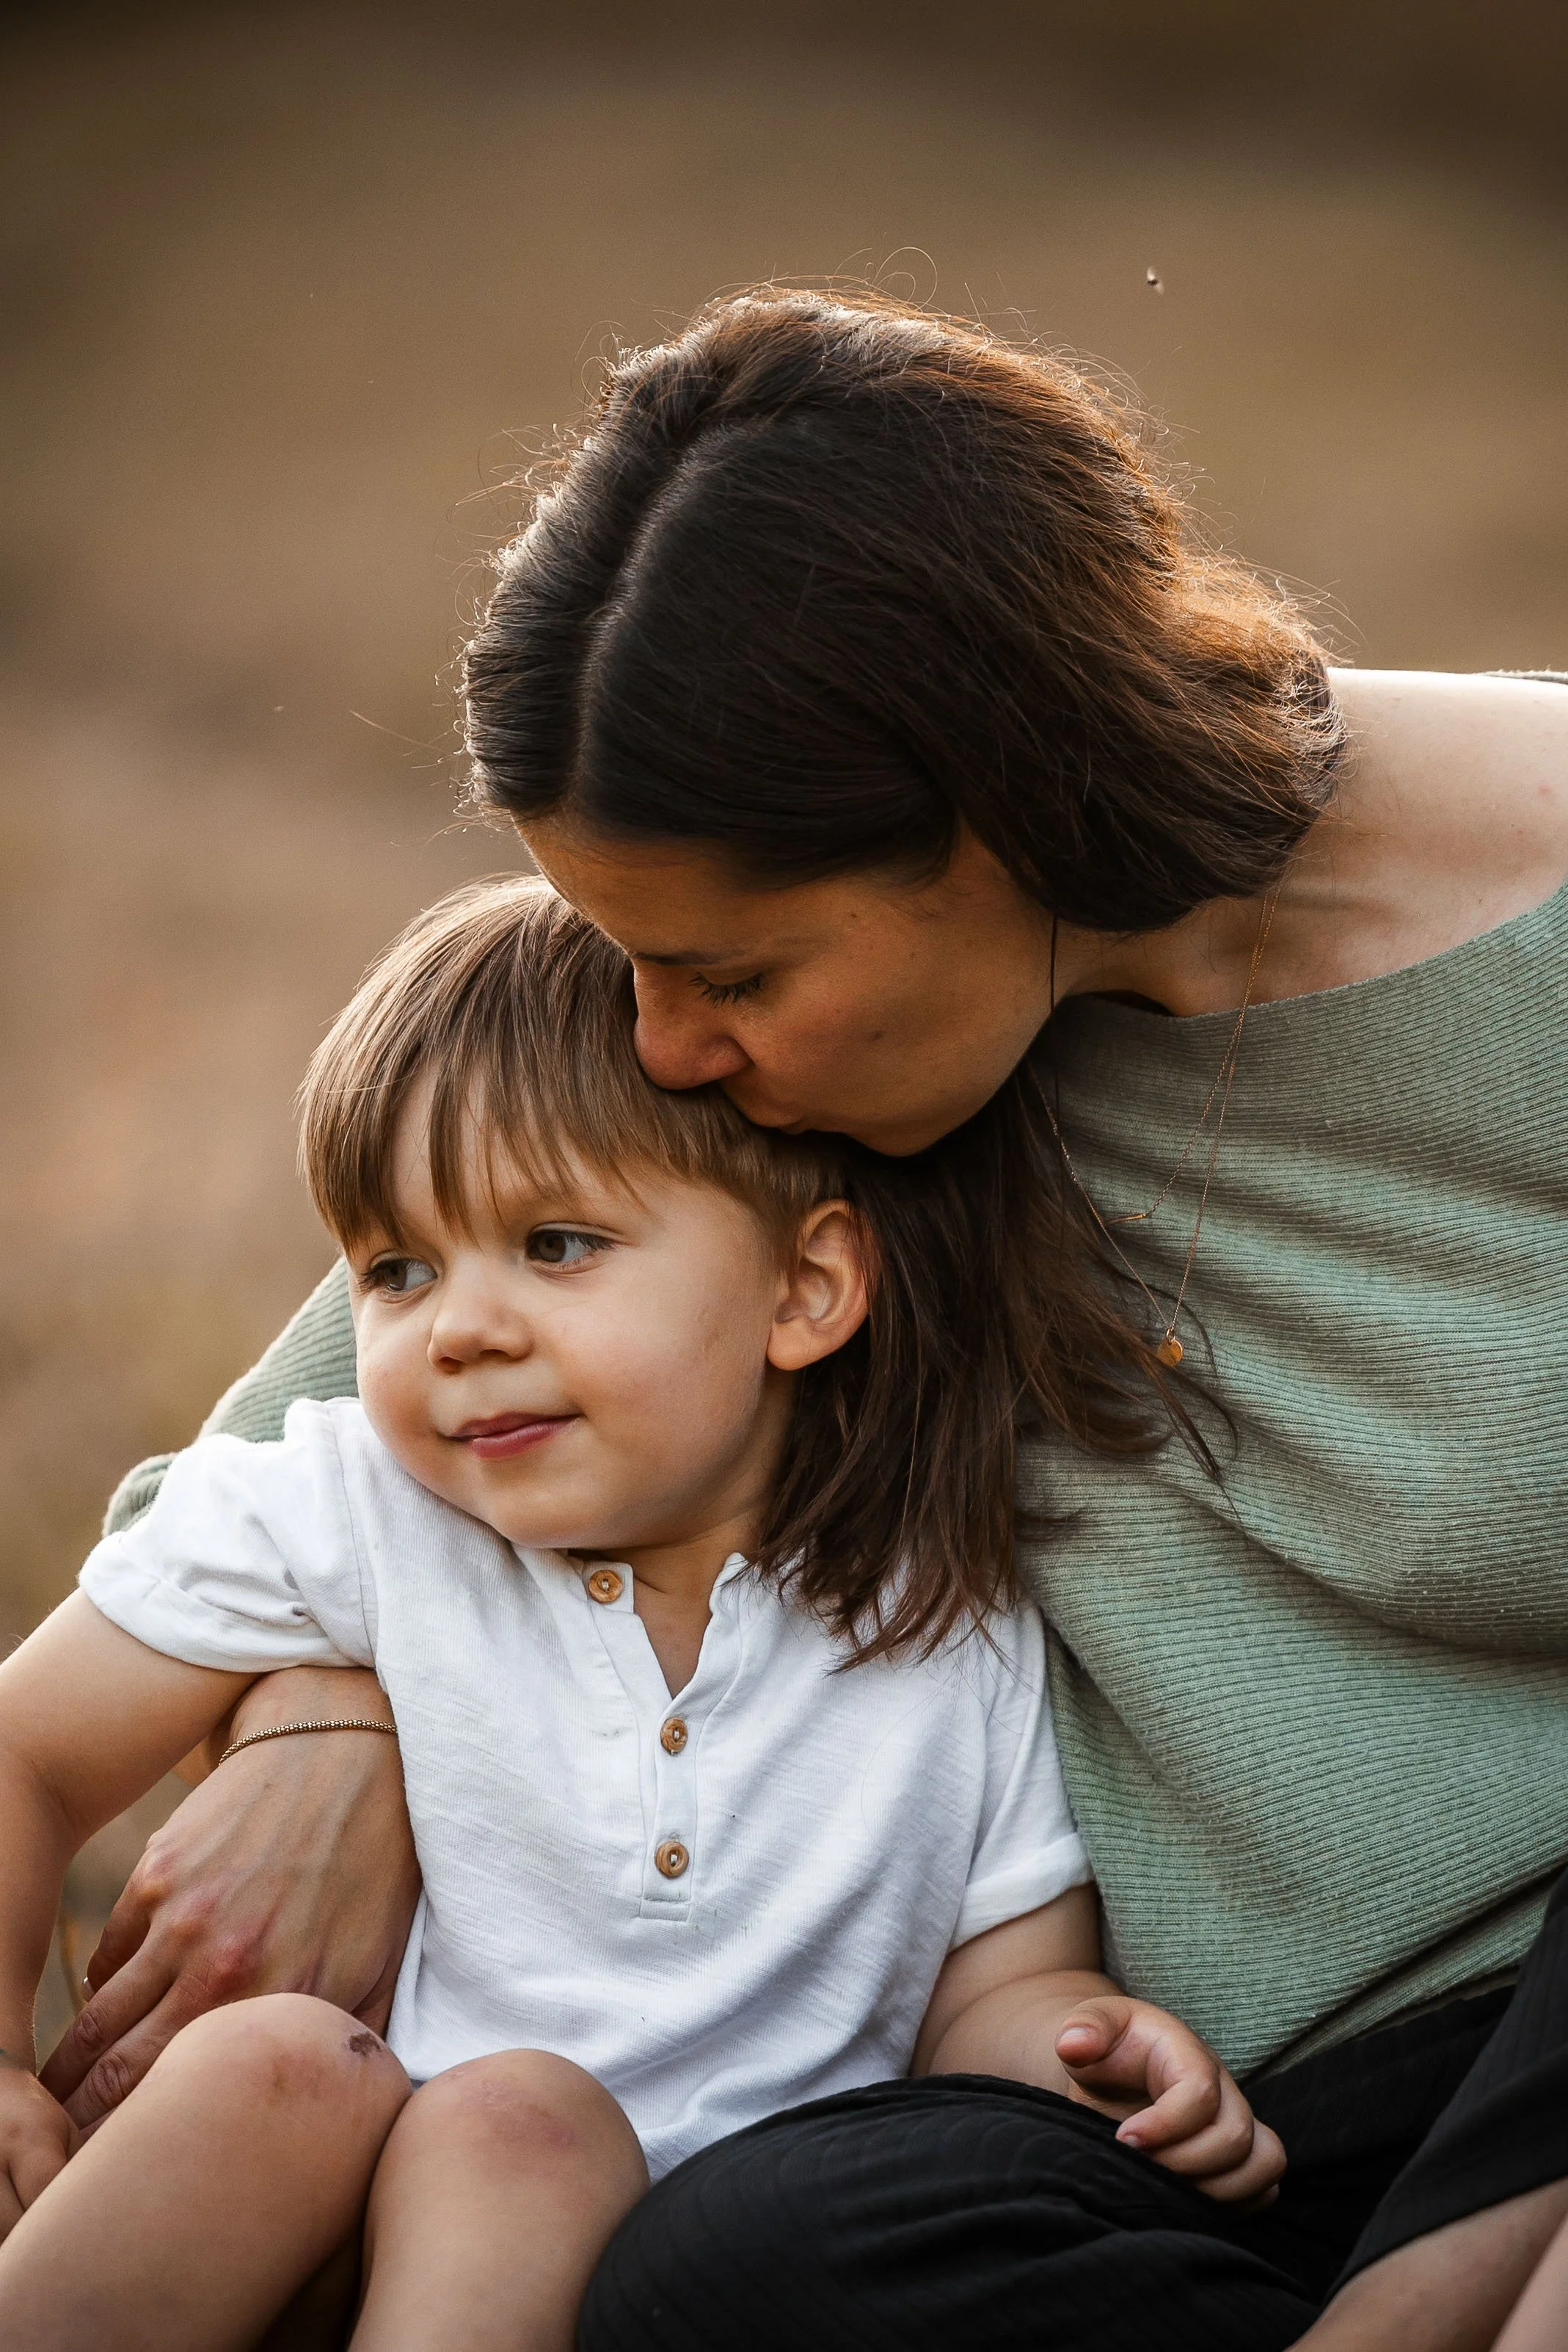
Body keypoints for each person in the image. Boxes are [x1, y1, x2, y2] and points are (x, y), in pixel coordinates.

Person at [40, 290, 1568, 2348]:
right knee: (745, 2263)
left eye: (734, 974)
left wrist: (1435, 2293)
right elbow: (290, 1469)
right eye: (625, 962)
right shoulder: (830, 1065)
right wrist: (336, 1708)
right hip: (1095, 2117)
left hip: (1516, 2085)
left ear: (1003, 806)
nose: (664, 1046)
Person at [0, 879, 1283, 2349]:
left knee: (523, 2129)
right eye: (396, 1272)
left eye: (556, 1245)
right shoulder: (356, 1503)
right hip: (311, 2214)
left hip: (703, 2266)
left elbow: (994, 1991)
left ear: (805, 1289)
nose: (461, 1328)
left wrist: (1088, 2056)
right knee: (281, 2068)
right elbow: (25, 1751)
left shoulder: (944, 1614)